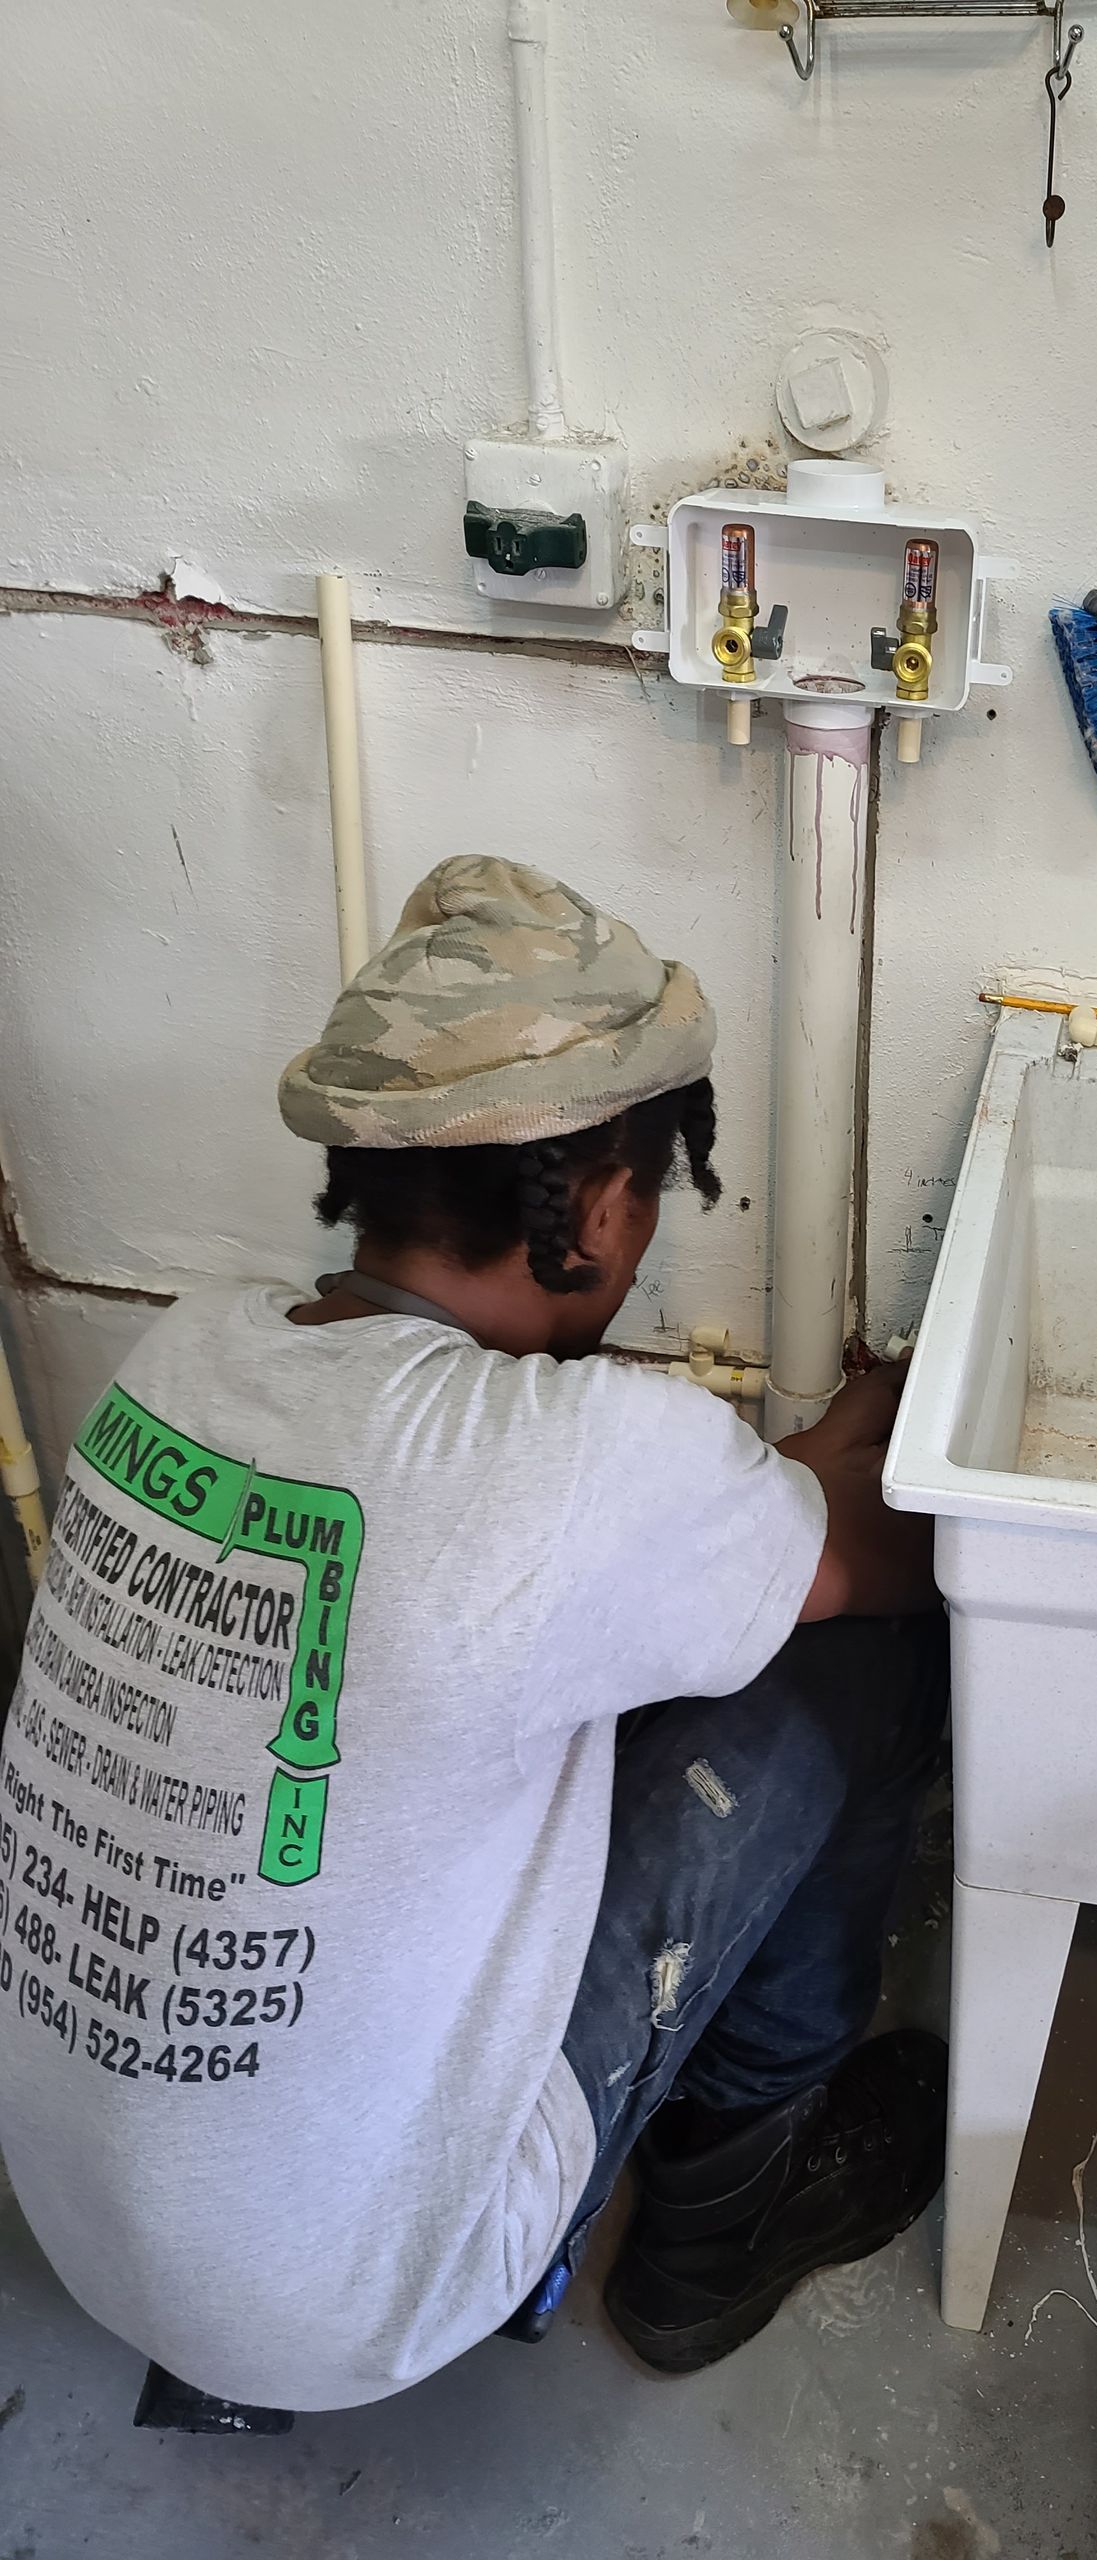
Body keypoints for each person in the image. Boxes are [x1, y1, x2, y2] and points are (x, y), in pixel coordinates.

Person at [0, 857, 948, 2419]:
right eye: (651, 1187)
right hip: (337, 2299)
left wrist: (777, 1494)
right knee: (845, 1664)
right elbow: (889, 1540)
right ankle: (725, 2219)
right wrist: (918, 1389)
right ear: (588, 1207)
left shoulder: (180, 1361)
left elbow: (688, 1535)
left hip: (97, 2226)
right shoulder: (570, 1465)